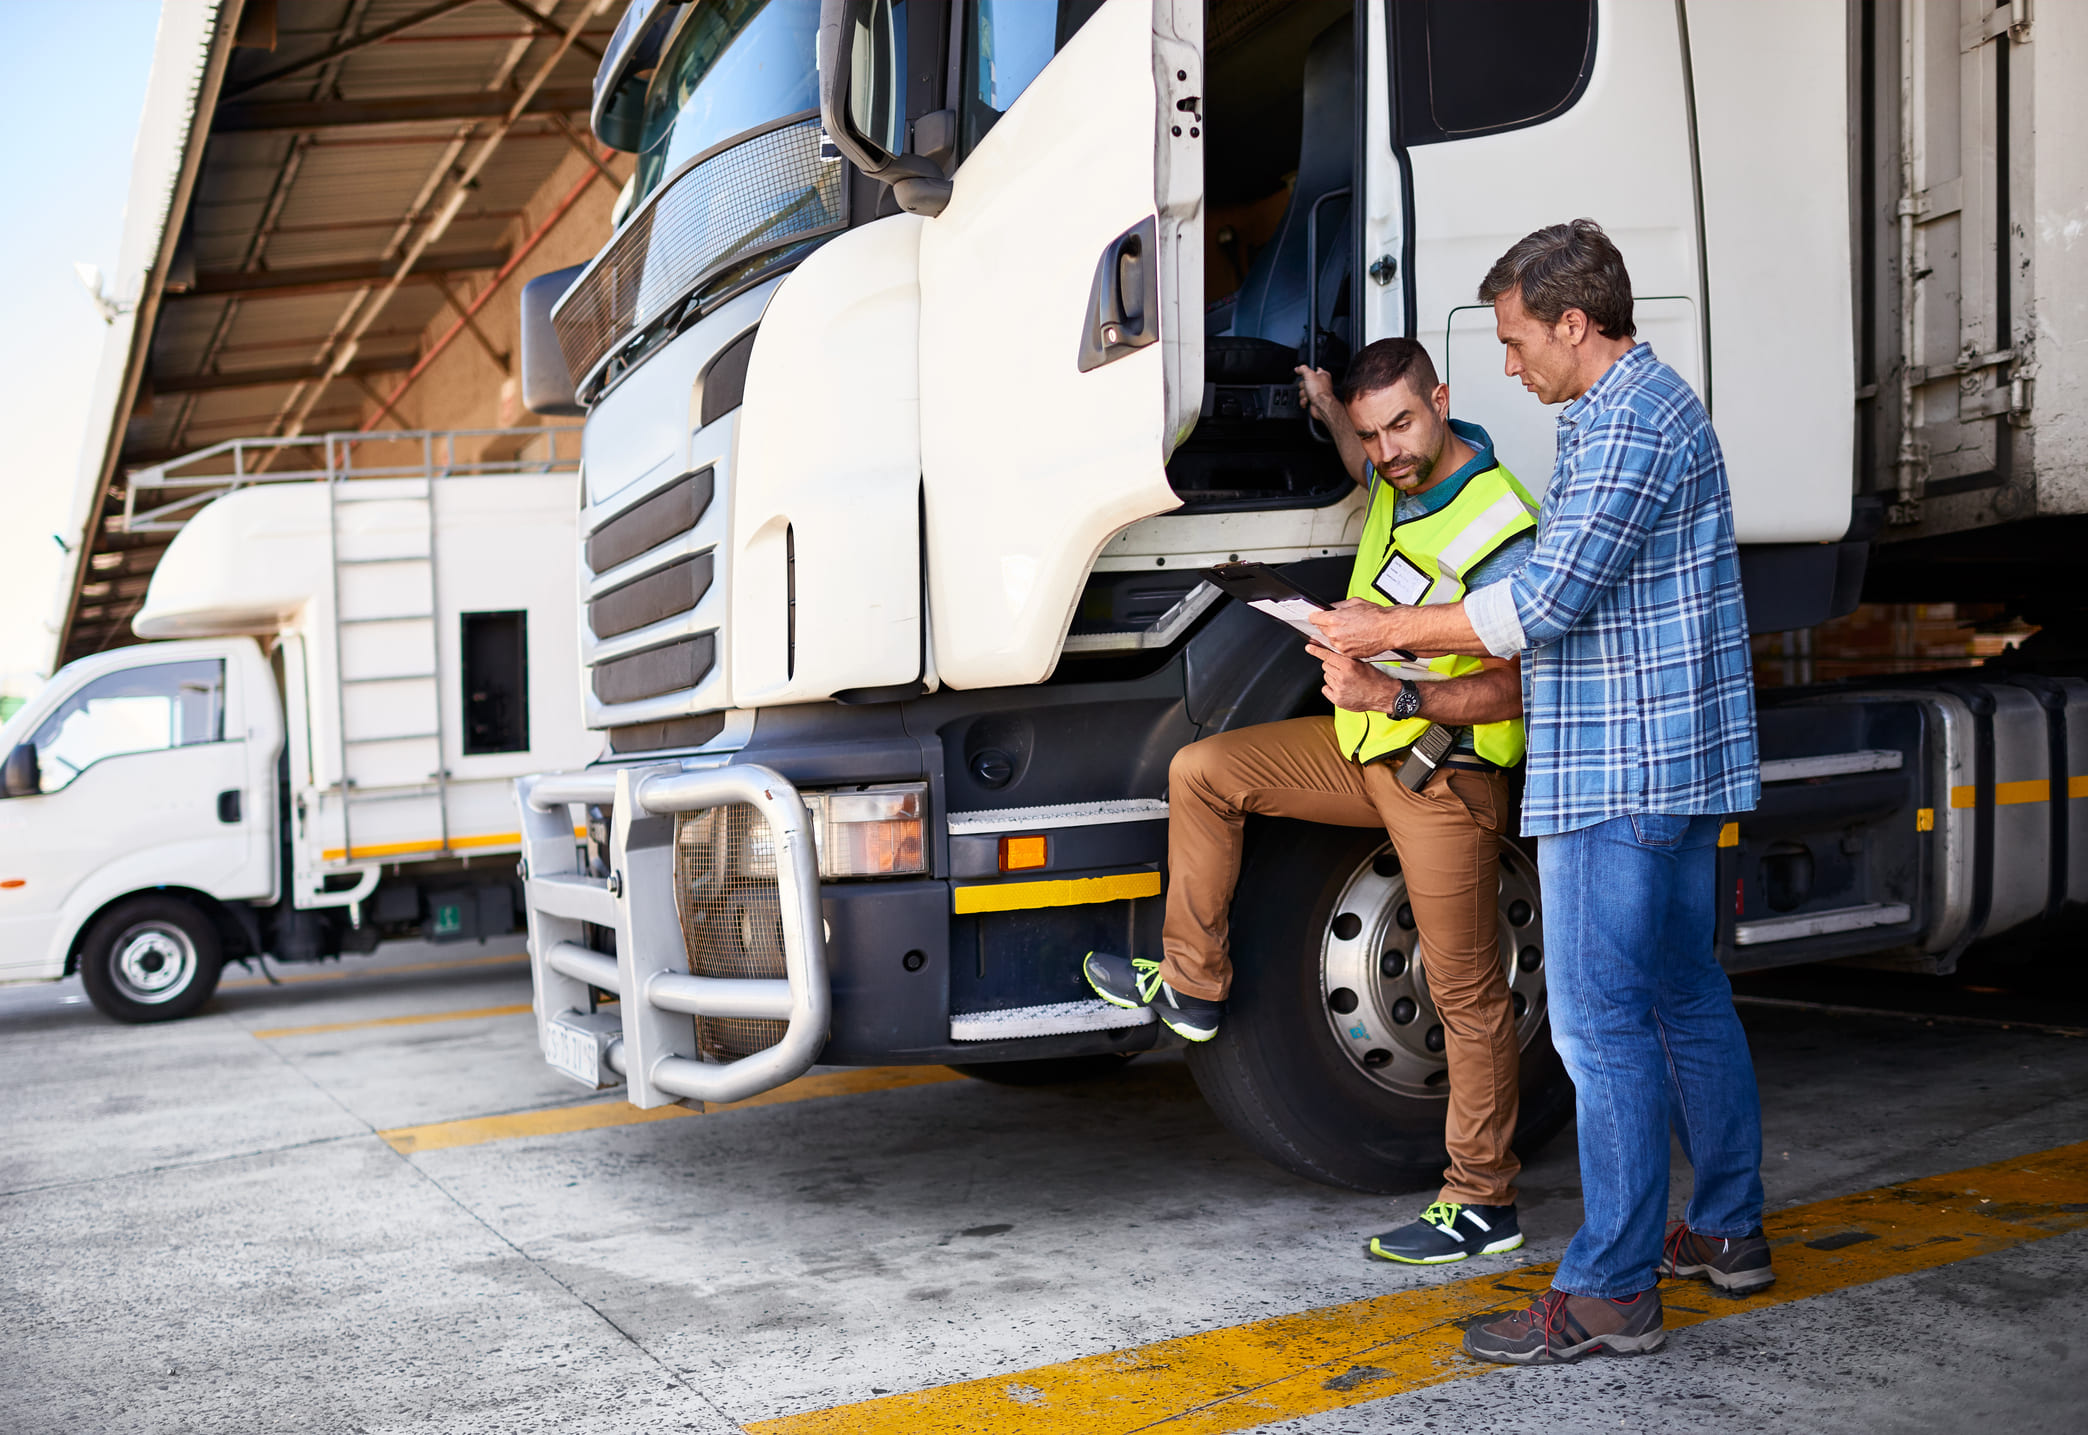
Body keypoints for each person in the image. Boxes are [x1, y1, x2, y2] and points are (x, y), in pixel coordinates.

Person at [1310, 220, 1770, 1363]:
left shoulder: (1624, 424)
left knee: (1600, 1026)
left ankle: (1611, 1289)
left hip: (1620, 770)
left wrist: (1386, 630)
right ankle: (1725, 1228)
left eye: (1519, 342)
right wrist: (1405, 681)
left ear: (1576, 324)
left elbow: (1540, 605)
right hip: (1660, 760)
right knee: (1682, 993)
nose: (1509, 369)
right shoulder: (1643, 413)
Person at [1084, 337, 1543, 1265]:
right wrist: (1330, 405)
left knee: (1466, 995)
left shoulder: (1500, 524)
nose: (1387, 453)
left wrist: (1399, 693)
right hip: (1367, 751)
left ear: (1443, 401)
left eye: (1402, 426)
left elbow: (1521, 688)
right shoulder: (1392, 476)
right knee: (1204, 772)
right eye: (1374, 435)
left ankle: (1483, 1200)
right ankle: (1194, 986)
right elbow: (1356, 456)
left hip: (1444, 777)